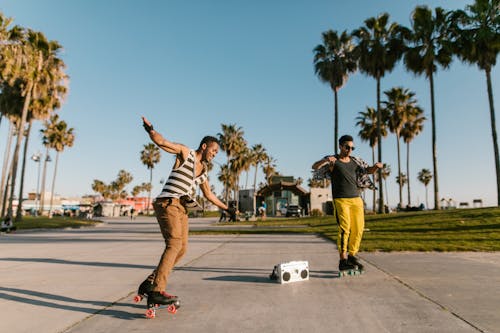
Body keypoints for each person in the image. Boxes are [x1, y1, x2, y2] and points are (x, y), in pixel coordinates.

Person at [136, 116, 233, 309]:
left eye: (216, 153)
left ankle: (150, 282)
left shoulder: (204, 172)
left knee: (182, 249)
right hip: (168, 203)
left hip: (182, 209)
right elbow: (163, 143)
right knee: (174, 244)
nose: (214, 154)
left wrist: (227, 208)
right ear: (204, 146)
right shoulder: (186, 153)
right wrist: (151, 130)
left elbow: (210, 195)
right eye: (213, 150)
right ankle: (156, 291)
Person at [312, 135, 382, 272]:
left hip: (356, 198)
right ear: (340, 146)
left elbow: (367, 171)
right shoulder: (333, 160)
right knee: (345, 228)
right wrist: (325, 160)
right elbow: (315, 167)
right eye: (347, 147)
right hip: (341, 199)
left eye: (352, 148)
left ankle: (352, 255)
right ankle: (343, 259)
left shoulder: (356, 161)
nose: (350, 150)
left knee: (359, 228)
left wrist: (376, 167)